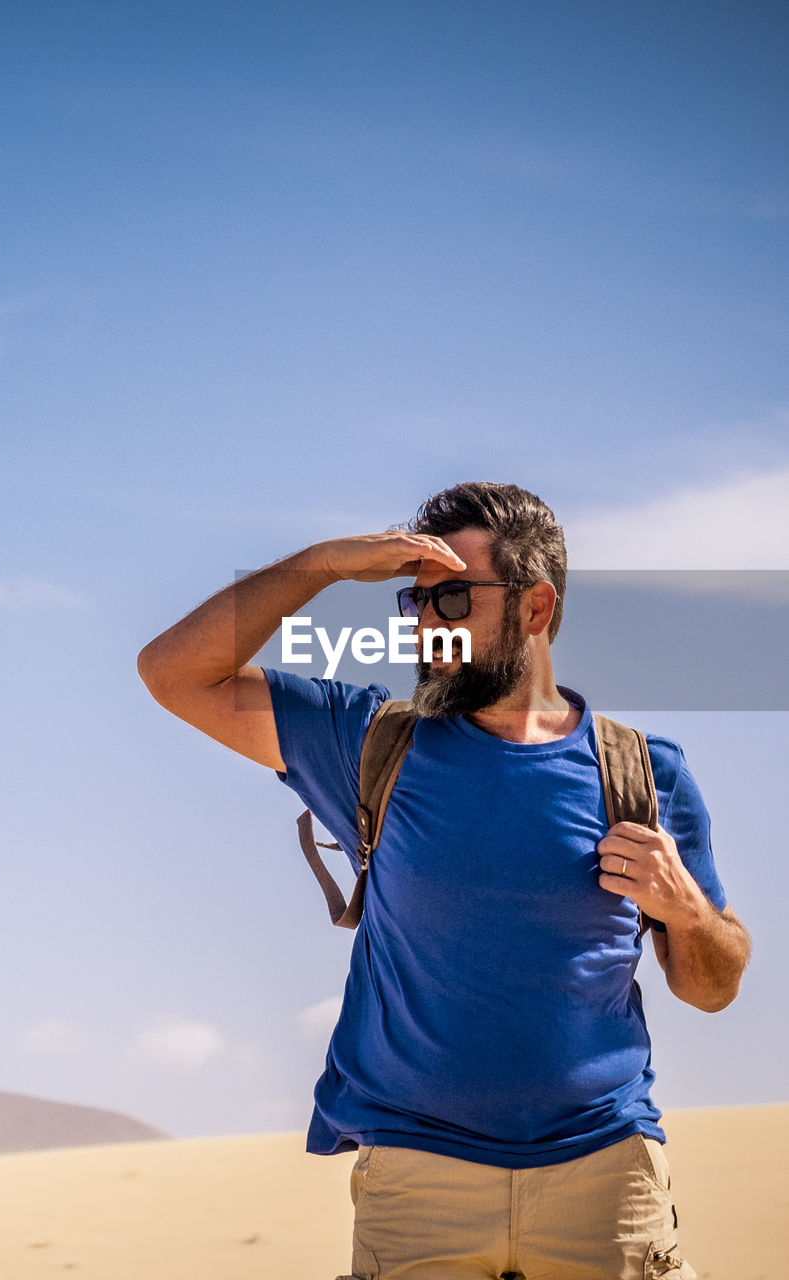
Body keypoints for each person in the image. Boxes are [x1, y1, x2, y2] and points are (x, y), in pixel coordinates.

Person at [137, 481, 750, 1280]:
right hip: (417, 1184)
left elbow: (710, 987)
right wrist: (321, 565)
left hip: (606, 1177)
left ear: (534, 609)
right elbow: (175, 672)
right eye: (415, 601)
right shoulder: (365, 742)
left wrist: (688, 911)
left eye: (453, 597)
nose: (426, 623)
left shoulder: (642, 772)